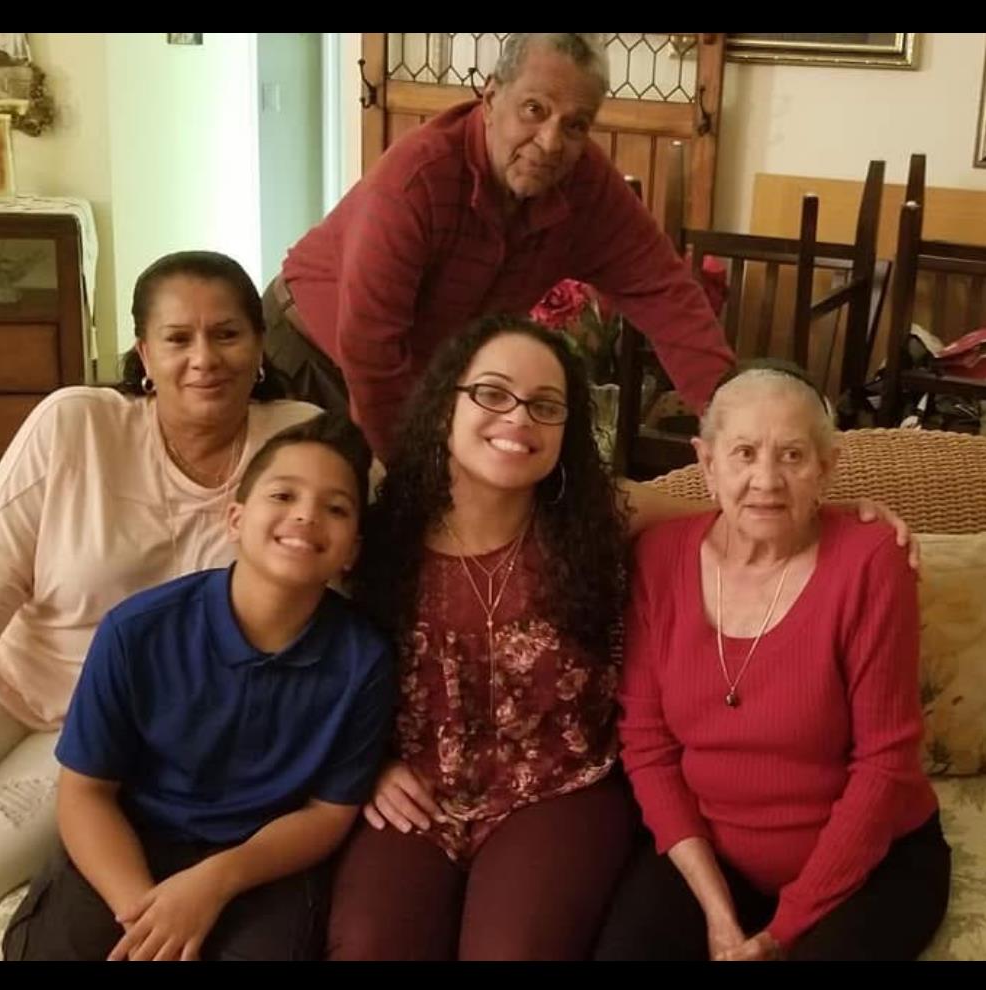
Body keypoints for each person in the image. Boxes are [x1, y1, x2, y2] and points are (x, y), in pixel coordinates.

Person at [0, 251, 320, 960]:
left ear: (261, 344)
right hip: (3, 683)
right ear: (144, 353)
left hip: (100, 738)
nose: (204, 358)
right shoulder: (73, 425)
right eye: (178, 339)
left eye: (228, 334)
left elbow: (374, 555)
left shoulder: (297, 444)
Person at [3, 414, 395, 961]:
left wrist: (215, 881)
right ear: (235, 519)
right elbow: (85, 793)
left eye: (336, 508)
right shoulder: (136, 630)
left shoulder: (364, 660)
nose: (306, 515)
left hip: (260, 862)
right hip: (130, 840)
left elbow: (327, 814)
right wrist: (145, 916)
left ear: (352, 548)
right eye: (283, 494)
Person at [594, 362, 950, 961]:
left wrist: (782, 932)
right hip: (714, 859)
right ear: (706, 464)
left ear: (826, 470)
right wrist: (717, 913)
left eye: (792, 456)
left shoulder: (869, 564)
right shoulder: (658, 561)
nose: (767, 480)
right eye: (743, 453)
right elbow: (647, 745)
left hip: (872, 864)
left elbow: (884, 765)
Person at [264, 32, 734, 460]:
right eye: (534, 109)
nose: (550, 142)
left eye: (575, 126)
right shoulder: (417, 180)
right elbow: (372, 349)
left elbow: (664, 290)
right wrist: (410, 477)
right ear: (490, 99)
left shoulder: (587, 186)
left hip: (423, 379)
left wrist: (733, 423)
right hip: (310, 358)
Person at [326, 315, 637, 960]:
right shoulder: (377, 536)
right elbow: (322, 665)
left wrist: (856, 513)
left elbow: (735, 506)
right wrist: (369, 765)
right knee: (368, 946)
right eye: (493, 393)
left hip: (559, 789)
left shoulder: (599, 520)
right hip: (414, 792)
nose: (518, 417)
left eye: (546, 406)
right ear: (447, 405)